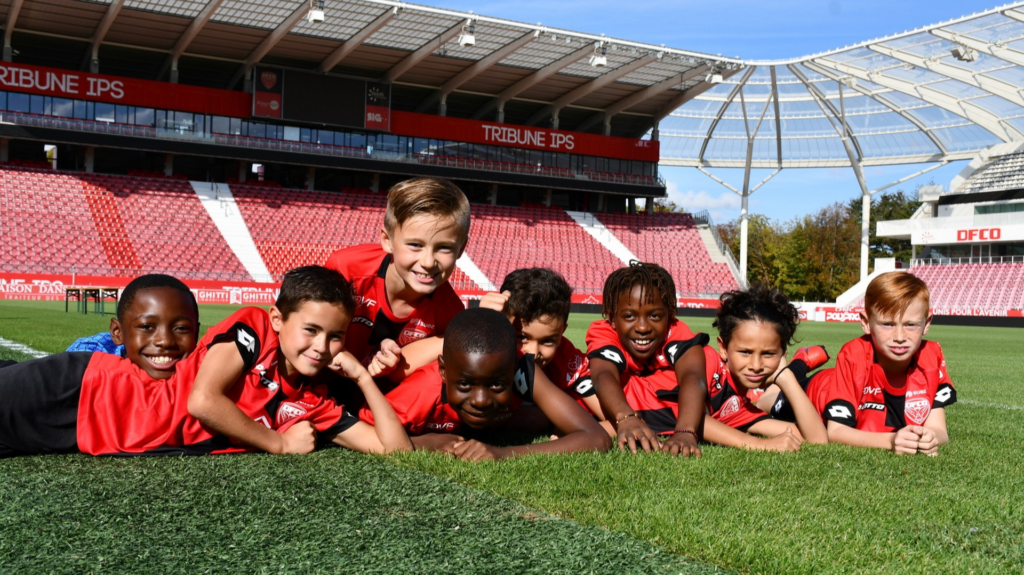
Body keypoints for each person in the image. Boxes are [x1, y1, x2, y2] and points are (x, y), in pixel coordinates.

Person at [0, 266, 412, 457]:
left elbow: (395, 452)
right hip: (85, 392)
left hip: (84, 436)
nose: (321, 346)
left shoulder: (313, 403)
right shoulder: (254, 330)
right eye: (310, 330)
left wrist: (362, 377)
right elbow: (202, 401)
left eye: (335, 336)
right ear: (278, 320)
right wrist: (279, 443)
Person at [357, 308, 612, 461]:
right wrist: (422, 442)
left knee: (536, 419)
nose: (480, 400)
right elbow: (365, 431)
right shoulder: (421, 392)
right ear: (444, 371)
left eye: (496, 386)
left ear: (512, 371)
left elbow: (596, 438)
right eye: (465, 385)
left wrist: (502, 454)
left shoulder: (522, 370)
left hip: (505, 422)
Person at [324, 178, 468, 374]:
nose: (428, 262)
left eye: (444, 247)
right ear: (387, 240)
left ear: (461, 249)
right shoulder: (345, 269)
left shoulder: (450, 312)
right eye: (415, 245)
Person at [805, 272, 955, 455]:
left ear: (927, 323)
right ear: (866, 323)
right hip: (818, 388)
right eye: (888, 324)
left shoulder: (931, 356)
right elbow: (836, 431)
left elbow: (939, 430)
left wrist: (930, 437)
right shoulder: (852, 355)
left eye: (910, 325)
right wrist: (891, 440)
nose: (900, 337)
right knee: (777, 398)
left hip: (840, 381)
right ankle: (800, 364)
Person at [585, 261, 707, 456]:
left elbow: (693, 377)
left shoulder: (676, 332)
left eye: (655, 316)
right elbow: (603, 374)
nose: (642, 327)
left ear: (670, 315)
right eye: (629, 316)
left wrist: (685, 431)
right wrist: (626, 417)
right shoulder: (604, 332)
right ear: (612, 318)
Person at [699, 285, 829, 451]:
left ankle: (797, 365)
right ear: (723, 348)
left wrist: (785, 376)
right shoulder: (705, 360)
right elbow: (693, 419)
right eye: (745, 352)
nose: (756, 366)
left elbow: (817, 440)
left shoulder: (741, 410)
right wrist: (760, 444)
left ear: (782, 355)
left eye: (768, 354)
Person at [478, 268, 606, 431]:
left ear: (562, 332)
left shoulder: (567, 359)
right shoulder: (484, 351)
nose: (533, 352)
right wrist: (483, 328)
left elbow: (611, 418)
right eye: (522, 337)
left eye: (548, 341)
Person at [65, 274, 200, 379]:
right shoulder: (86, 357)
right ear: (117, 332)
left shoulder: (205, 370)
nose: (165, 341)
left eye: (181, 328)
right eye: (146, 327)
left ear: (196, 332)